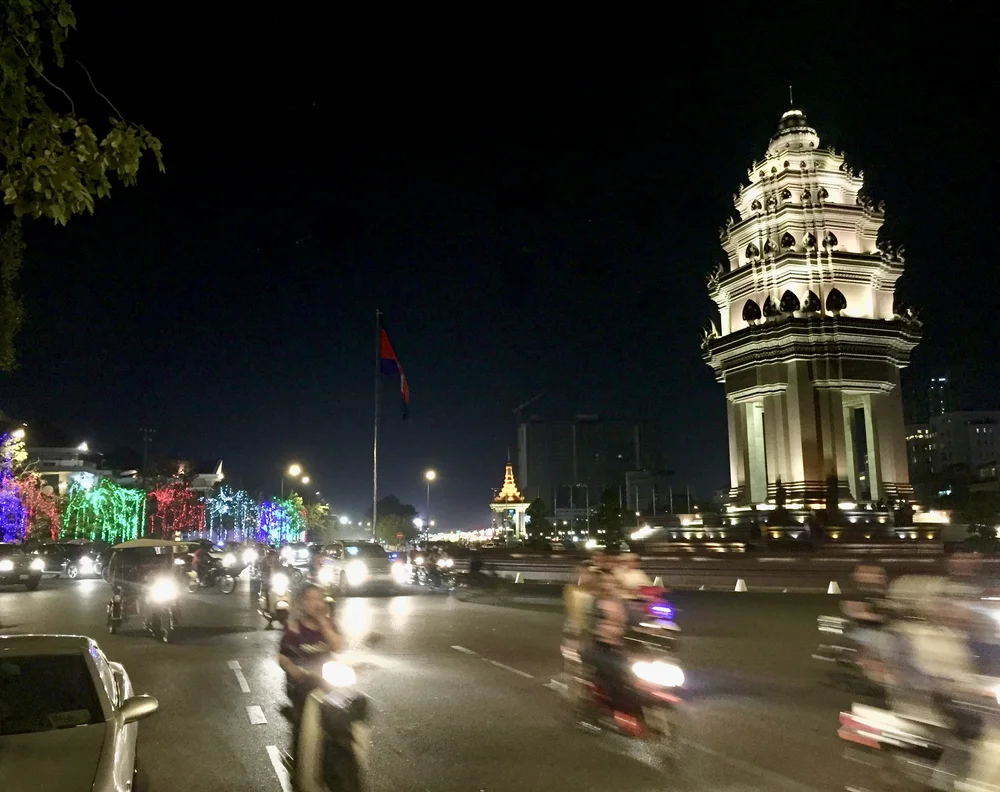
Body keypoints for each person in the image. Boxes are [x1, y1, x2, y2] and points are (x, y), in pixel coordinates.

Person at [278, 584, 345, 759]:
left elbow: (337, 646)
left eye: (319, 599)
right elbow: (283, 657)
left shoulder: (328, 624)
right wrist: (295, 671)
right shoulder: (294, 628)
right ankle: (298, 759)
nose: (315, 603)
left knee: (346, 709)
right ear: (302, 603)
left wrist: (323, 622)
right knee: (303, 720)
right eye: (310, 599)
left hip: (326, 681)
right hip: (301, 683)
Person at [583, 569, 642, 732]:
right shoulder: (596, 603)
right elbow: (592, 625)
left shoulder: (621, 603)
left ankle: (634, 709)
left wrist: (654, 627)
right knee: (615, 674)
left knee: (636, 675)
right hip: (600, 648)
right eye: (605, 582)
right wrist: (605, 629)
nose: (608, 585)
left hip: (620, 647)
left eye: (611, 582)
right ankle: (616, 711)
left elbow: (636, 619)